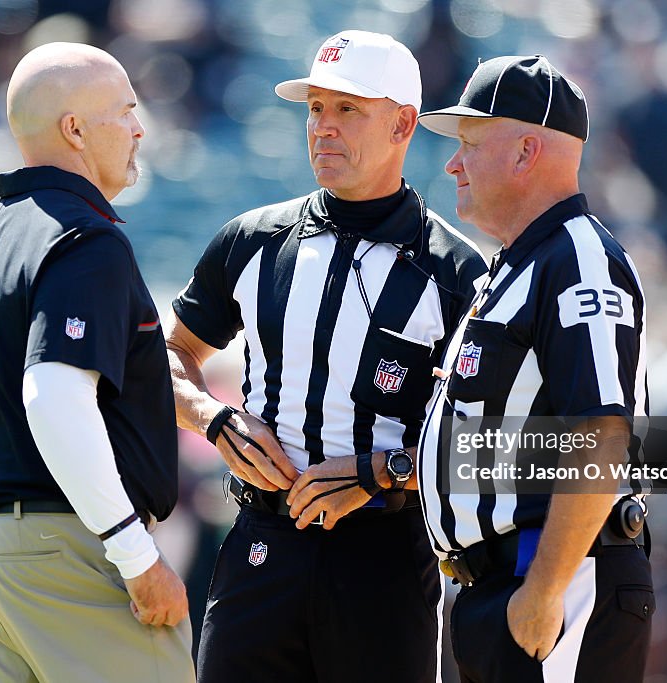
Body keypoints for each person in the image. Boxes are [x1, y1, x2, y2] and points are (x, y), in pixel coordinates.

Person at [166, 30, 488, 683]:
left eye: (348, 110)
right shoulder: (252, 240)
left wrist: (387, 469)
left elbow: (490, 442)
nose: (323, 128)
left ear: (403, 123)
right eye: (315, 108)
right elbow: (165, 354)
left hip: (384, 557)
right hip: (261, 541)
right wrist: (213, 418)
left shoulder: (457, 271)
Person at [0, 42, 194, 682]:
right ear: (74, 129)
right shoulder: (84, 238)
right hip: (65, 552)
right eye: (126, 110)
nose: (140, 128)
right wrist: (136, 555)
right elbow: (52, 395)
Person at [416, 55, 653, 682]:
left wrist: (544, 593)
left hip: (551, 581)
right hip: (499, 585)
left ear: (526, 151)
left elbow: (602, 436)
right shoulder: (519, 265)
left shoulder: (577, 258)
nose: (452, 162)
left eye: (469, 142)